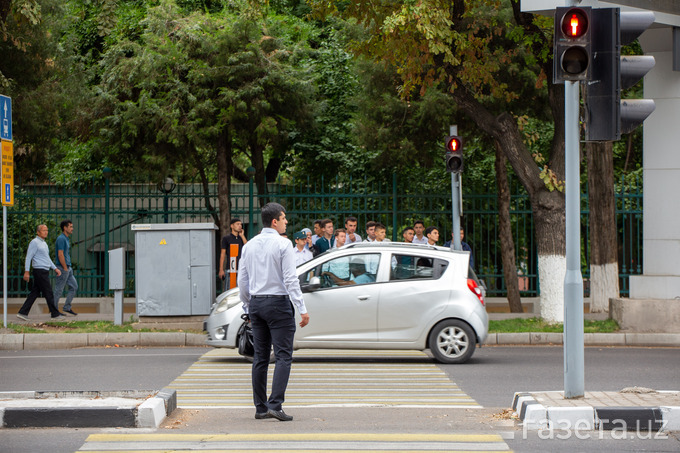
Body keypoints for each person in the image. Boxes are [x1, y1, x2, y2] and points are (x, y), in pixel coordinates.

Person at [238, 202, 310, 422]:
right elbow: (290, 279)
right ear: (274, 221)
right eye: (284, 218)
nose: (286, 222)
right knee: (283, 356)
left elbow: (243, 281)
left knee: (260, 357)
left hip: (257, 304)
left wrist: (247, 305)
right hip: (278, 304)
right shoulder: (283, 244)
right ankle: (275, 404)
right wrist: (302, 308)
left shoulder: (249, 245)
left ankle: (260, 407)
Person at [17, 225, 65, 321]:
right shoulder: (34, 242)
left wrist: (55, 268)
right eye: (44, 230)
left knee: (34, 293)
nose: (46, 232)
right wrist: (26, 271)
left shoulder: (44, 243)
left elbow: (47, 258)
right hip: (39, 271)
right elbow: (28, 257)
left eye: (47, 230)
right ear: (38, 232)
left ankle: (23, 312)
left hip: (44, 270)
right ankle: (55, 314)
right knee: (48, 292)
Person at [53, 219, 79, 316]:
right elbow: (60, 254)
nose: (72, 229)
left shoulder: (66, 238)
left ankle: (67, 307)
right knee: (59, 289)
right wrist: (64, 268)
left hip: (68, 267)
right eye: (70, 227)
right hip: (63, 267)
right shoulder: (61, 239)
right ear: (65, 228)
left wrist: (67, 268)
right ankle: (54, 310)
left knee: (74, 286)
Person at [219, 218, 248, 290]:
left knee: (240, 290)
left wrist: (242, 235)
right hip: (230, 268)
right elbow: (222, 254)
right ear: (232, 226)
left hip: (241, 268)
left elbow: (247, 247)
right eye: (237, 224)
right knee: (230, 290)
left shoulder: (241, 238)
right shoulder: (226, 238)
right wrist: (221, 269)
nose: (240, 226)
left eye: (240, 224)